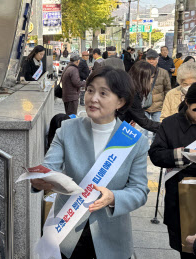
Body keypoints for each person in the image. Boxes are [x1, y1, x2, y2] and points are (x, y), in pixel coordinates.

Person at [32, 66, 149, 259]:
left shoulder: (134, 141)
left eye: (103, 93)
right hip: (67, 233)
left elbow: (139, 190)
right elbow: (49, 168)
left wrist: (114, 197)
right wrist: (39, 179)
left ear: (121, 101)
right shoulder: (66, 130)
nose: (93, 98)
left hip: (112, 237)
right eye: (90, 90)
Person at [149, 83, 196, 259]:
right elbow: (155, 154)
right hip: (181, 196)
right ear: (186, 102)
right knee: (187, 248)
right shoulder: (170, 124)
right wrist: (185, 155)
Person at [119, 61, 160, 133]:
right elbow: (144, 122)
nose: (152, 81)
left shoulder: (127, 87)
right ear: (144, 78)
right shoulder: (133, 94)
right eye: (152, 77)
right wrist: (166, 127)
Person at [144, 49, 171, 140]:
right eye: (149, 59)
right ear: (146, 59)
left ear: (157, 59)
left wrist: (167, 105)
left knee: (158, 130)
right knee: (143, 132)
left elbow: (168, 90)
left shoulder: (163, 72)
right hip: (144, 106)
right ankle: (143, 151)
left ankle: (154, 150)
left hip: (159, 107)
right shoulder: (141, 71)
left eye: (153, 59)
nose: (151, 61)